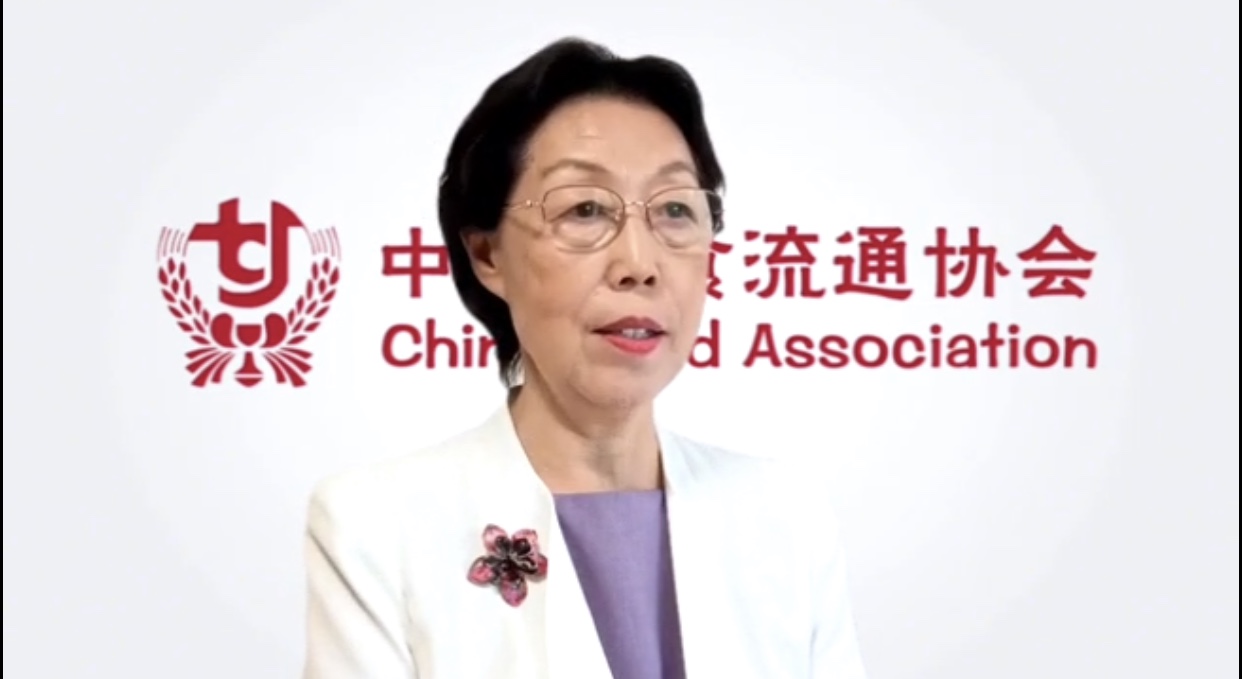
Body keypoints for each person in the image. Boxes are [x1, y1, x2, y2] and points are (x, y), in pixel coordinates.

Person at [302, 37, 868, 679]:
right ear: (487, 255)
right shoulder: (375, 525)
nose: (639, 264)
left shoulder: (785, 514)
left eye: (675, 210)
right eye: (585, 210)